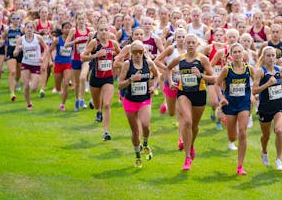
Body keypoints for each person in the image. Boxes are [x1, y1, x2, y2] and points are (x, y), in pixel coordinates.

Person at [166, 34, 215, 171]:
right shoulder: (180, 59)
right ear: (184, 44)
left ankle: (191, 144)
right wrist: (170, 82)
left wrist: (201, 76)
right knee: (187, 121)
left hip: (199, 95)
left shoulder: (202, 59)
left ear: (197, 44)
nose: (191, 45)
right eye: (188, 42)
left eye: (193, 42)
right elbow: (168, 68)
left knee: (194, 126)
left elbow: (213, 78)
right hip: (184, 93)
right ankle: (187, 157)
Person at [118, 40, 159, 168]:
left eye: (140, 52)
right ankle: (137, 156)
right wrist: (131, 79)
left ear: (143, 52)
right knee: (135, 132)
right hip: (130, 101)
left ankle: (146, 144)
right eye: (134, 52)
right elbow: (119, 85)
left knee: (145, 125)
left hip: (145, 99)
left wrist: (154, 87)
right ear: (130, 53)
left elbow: (157, 75)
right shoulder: (127, 65)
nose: (137, 55)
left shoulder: (149, 63)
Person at [216, 43, 253, 175]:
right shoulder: (227, 69)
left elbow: (257, 81)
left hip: (244, 104)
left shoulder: (249, 68)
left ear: (243, 54)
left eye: (239, 52)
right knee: (232, 137)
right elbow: (216, 83)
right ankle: (220, 113)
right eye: (235, 52)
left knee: (243, 132)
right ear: (231, 55)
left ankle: (240, 166)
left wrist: (254, 94)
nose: (237, 54)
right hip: (230, 104)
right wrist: (221, 98)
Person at [252, 46, 282, 171]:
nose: (271, 58)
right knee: (266, 136)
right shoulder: (260, 72)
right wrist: (268, 84)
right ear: (264, 57)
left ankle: (278, 159)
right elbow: (254, 91)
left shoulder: (279, 69)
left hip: (279, 106)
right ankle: (264, 151)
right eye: (268, 55)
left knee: (279, 130)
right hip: (265, 107)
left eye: (273, 55)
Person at [81, 22, 121, 141]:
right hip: (95, 78)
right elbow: (83, 57)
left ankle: (106, 132)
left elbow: (121, 54)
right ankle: (97, 109)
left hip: (108, 78)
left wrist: (116, 61)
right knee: (98, 103)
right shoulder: (94, 43)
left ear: (109, 32)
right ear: (97, 32)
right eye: (101, 30)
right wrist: (96, 55)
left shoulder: (112, 43)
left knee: (107, 104)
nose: (104, 32)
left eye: (106, 30)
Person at [13, 21, 48, 110]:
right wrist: (18, 51)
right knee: (26, 85)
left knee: (34, 88)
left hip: (36, 64)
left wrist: (43, 57)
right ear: (24, 29)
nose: (29, 29)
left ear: (34, 29)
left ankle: (30, 86)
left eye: (31, 27)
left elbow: (46, 48)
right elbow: (15, 52)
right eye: (27, 27)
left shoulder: (38, 38)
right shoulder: (21, 39)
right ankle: (29, 104)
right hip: (26, 63)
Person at [64, 12, 92, 111]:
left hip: (85, 58)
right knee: (77, 82)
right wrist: (74, 42)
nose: (81, 21)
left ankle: (82, 100)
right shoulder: (73, 31)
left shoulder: (90, 31)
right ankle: (77, 99)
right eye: (79, 19)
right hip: (76, 59)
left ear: (85, 20)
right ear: (76, 20)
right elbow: (66, 45)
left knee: (83, 77)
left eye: (82, 19)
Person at [50, 22, 73, 111]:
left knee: (66, 83)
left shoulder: (73, 40)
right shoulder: (57, 40)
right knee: (58, 86)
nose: (67, 29)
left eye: (69, 28)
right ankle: (59, 89)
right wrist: (49, 60)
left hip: (68, 64)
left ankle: (62, 104)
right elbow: (49, 50)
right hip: (58, 64)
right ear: (62, 30)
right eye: (66, 28)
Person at [3, 11, 23, 101]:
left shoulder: (22, 29)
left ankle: (18, 81)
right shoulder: (7, 29)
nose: (15, 20)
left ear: (20, 19)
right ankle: (12, 93)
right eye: (14, 18)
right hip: (11, 52)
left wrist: (21, 41)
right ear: (11, 20)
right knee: (12, 71)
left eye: (17, 18)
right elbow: (3, 40)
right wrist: (4, 53)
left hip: (20, 52)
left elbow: (28, 39)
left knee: (19, 69)